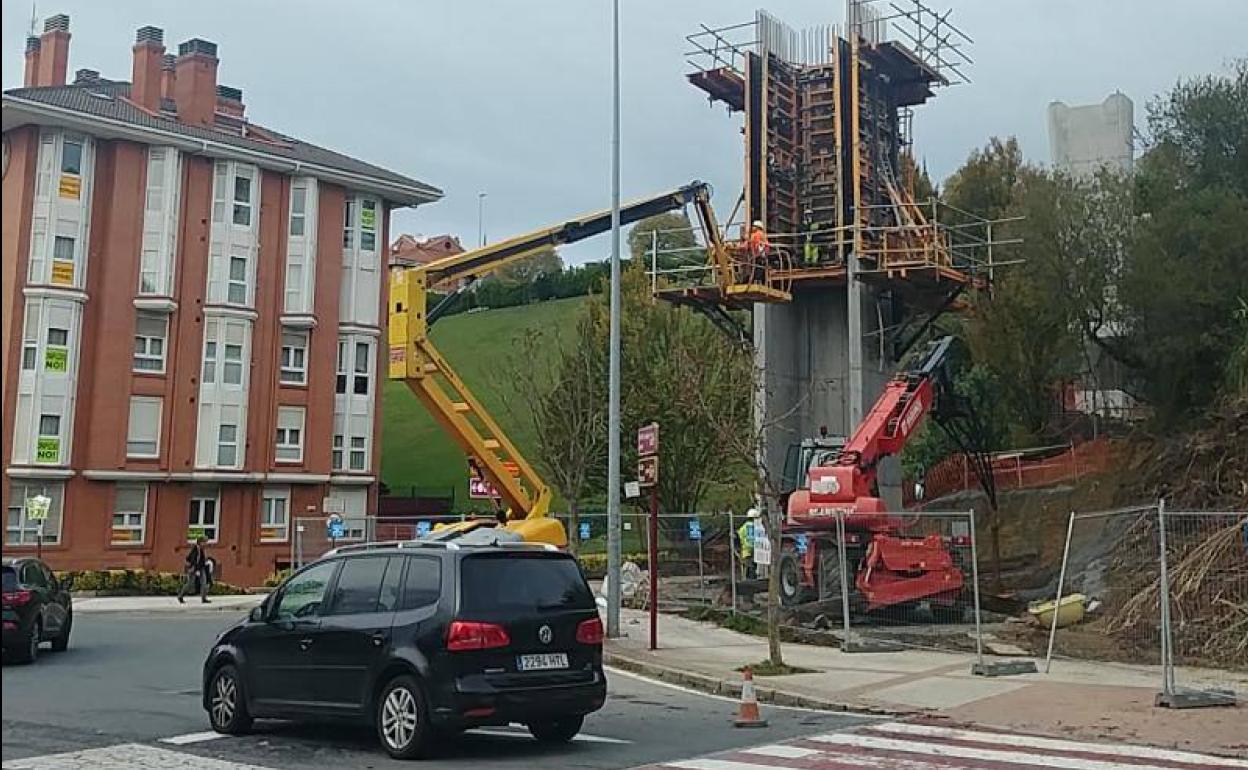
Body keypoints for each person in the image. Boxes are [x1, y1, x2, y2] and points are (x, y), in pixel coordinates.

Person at [178, 537, 211, 604]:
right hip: (194, 568)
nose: (205, 544)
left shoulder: (201, 549)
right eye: (204, 542)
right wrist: (196, 570)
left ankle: (203, 598)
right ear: (200, 542)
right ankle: (180, 596)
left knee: (204, 583)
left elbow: (200, 559)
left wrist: (205, 561)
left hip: (201, 568)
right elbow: (194, 560)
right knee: (190, 583)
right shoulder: (196, 549)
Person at [737, 508, 760, 580]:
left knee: (748, 567)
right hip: (756, 549)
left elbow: (739, 536)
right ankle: (753, 579)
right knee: (753, 566)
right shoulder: (758, 527)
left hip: (746, 550)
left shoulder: (743, 527)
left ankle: (748, 580)